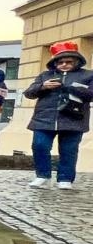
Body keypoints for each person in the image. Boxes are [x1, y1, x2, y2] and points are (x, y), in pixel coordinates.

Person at [24, 40, 92, 188]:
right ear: (55, 63)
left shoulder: (88, 75)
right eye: (60, 62)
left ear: (76, 61)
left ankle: (65, 179)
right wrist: (43, 87)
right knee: (39, 146)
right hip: (44, 118)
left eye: (68, 61)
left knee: (69, 150)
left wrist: (70, 87)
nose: (64, 65)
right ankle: (43, 176)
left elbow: (90, 94)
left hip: (74, 118)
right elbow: (29, 93)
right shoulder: (45, 75)